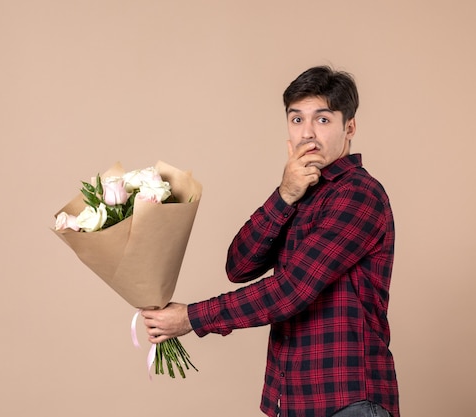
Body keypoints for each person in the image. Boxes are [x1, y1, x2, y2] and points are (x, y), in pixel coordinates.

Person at [141, 66, 399, 417]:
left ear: (349, 127)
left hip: (347, 401)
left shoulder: (358, 194)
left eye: (322, 120)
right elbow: (238, 266)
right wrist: (284, 196)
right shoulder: (300, 192)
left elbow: (291, 290)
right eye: (297, 120)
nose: (307, 133)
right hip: (296, 401)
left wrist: (191, 318)